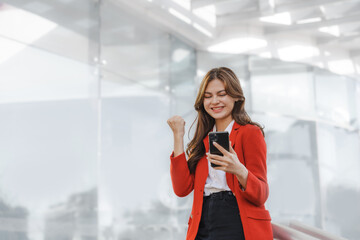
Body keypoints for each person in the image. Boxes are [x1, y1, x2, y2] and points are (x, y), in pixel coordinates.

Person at [167, 67, 273, 240]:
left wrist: (239, 170)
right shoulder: (203, 137)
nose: (214, 101)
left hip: (236, 219)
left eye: (221, 94)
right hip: (203, 219)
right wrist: (178, 136)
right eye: (208, 96)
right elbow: (181, 189)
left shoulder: (250, 133)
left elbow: (261, 194)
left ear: (236, 96)